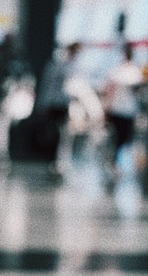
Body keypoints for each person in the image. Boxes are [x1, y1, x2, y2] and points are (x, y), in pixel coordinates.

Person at [36, 41, 82, 176]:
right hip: (54, 104)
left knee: (63, 134)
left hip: (64, 105)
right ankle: (53, 161)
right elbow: (47, 85)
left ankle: (59, 162)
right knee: (54, 134)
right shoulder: (57, 65)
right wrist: (42, 103)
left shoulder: (72, 67)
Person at [101, 43, 145, 173]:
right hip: (126, 111)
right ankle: (116, 161)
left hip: (119, 109)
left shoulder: (119, 70)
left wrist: (107, 107)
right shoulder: (134, 72)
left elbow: (109, 90)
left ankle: (116, 161)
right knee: (122, 138)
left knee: (120, 138)